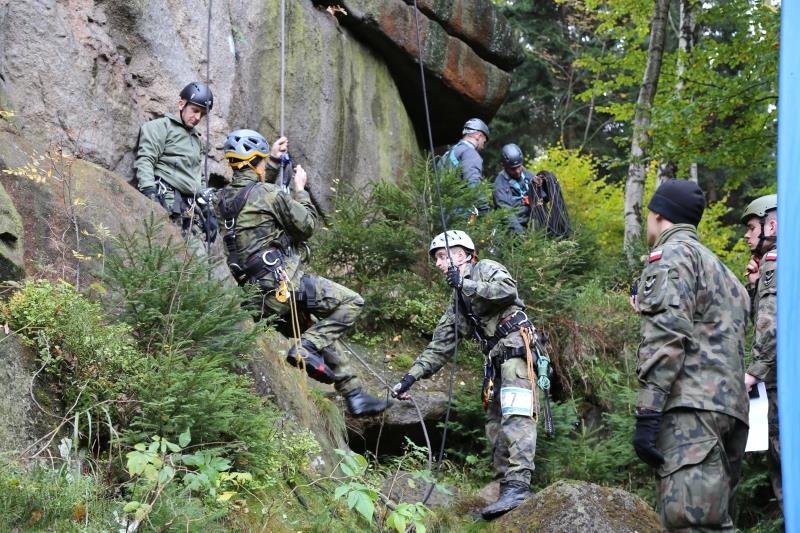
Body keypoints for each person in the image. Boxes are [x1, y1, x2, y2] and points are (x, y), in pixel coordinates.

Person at [214, 128, 388, 418]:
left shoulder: (221, 201)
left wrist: (270, 162)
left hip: (258, 297)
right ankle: (305, 348)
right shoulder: (270, 194)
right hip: (283, 285)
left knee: (318, 330)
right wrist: (300, 190)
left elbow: (249, 195)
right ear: (255, 161)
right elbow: (306, 226)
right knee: (351, 302)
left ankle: (355, 394)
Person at [391, 230, 550, 520]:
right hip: (496, 361)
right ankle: (507, 488)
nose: (439, 264)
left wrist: (466, 284)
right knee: (495, 425)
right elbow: (439, 346)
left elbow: (507, 291)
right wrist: (409, 378)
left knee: (517, 416)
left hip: (517, 349)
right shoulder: (458, 302)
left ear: (463, 254)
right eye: (437, 258)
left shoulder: (486, 268)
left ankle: (519, 485)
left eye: (443, 256)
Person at [631, 179, 750, 530]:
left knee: (689, 523)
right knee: (714, 522)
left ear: (657, 214)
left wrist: (648, 411)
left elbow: (666, 334)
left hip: (691, 414)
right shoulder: (727, 275)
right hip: (731, 413)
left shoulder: (672, 255)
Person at [134, 82, 217, 246]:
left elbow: (197, 176)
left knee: (193, 263)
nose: (198, 117)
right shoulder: (160, 127)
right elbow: (145, 160)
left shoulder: (196, 139)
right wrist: (150, 196)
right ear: (181, 104)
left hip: (189, 208)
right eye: (195, 110)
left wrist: (208, 211)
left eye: (202, 114)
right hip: (167, 201)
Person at [741, 194, 781, 509]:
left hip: (783, 380)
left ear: (772, 224)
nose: (747, 234)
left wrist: (754, 372)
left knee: (785, 461)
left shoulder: (775, 260)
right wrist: (755, 285)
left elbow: (770, 324)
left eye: (752, 227)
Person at [440, 118, 491, 214]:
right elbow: (474, 184)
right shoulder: (470, 153)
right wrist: (485, 210)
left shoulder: (449, 153)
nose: (483, 146)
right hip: (459, 214)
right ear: (478, 135)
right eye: (484, 141)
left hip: (441, 212)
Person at [492, 143, 535, 233]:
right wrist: (521, 236)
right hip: (513, 231)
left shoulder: (528, 175)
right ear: (503, 166)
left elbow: (543, 199)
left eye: (519, 167)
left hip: (532, 225)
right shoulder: (500, 184)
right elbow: (506, 213)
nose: (517, 171)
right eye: (512, 168)